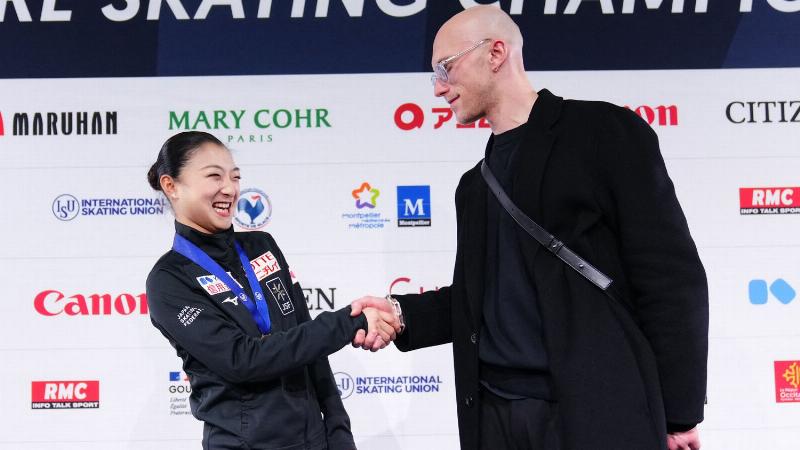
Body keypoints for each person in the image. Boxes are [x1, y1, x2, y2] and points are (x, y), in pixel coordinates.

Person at [351, 5, 708, 450]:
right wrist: (401, 315)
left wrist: (679, 412)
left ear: (495, 53)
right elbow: (481, 299)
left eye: (446, 67)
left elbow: (669, 277)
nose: (439, 87)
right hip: (494, 416)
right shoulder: (474, 186)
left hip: (595, 412)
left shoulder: (603, 132)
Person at [145, 131, 399, 450]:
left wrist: (338, 431)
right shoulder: (169, 280)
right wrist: (351, 321)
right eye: (214, 176)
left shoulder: (261, 246)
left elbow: (308, 342)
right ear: (171, 186)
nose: (230, 189)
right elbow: (242, 360)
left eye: (235, 177)